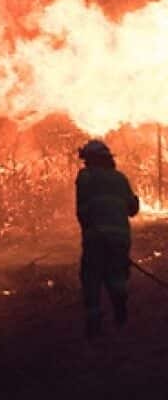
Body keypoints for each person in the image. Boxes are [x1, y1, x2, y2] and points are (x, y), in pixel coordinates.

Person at [75, 139, 139, 339]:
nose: (84, 163)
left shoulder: (85, 177)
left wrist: (89, 230)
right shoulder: (120, 178)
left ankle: (94, 323)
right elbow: (132, 210)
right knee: (117, 275)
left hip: (96, 237)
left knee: (91, 277)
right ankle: (120, 309)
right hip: (120, 238)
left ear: (91, 159)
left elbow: (82, 210)